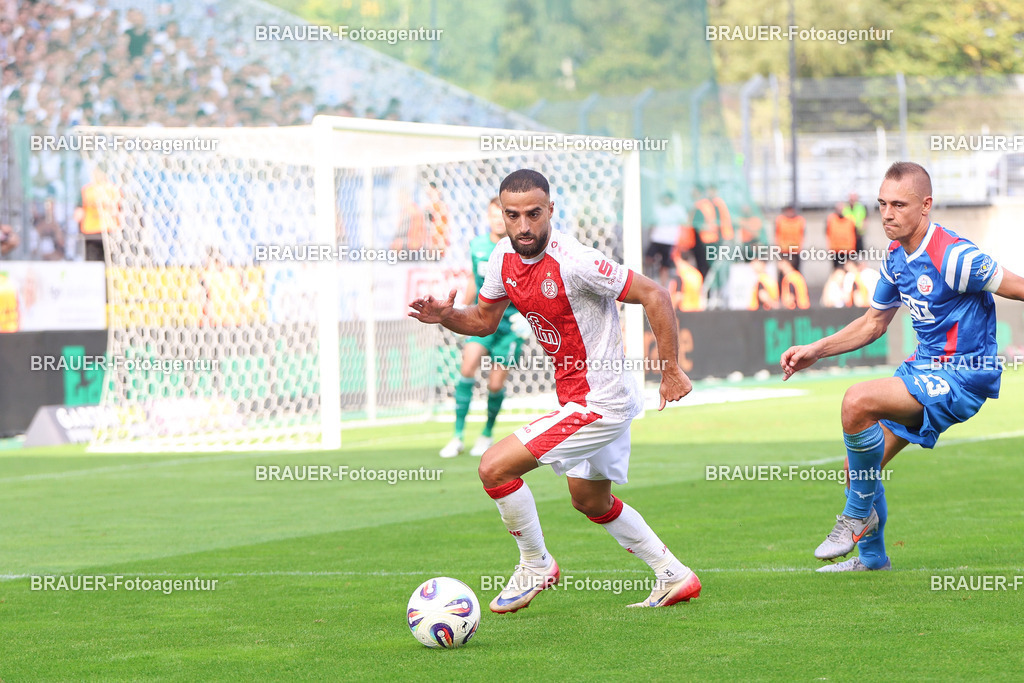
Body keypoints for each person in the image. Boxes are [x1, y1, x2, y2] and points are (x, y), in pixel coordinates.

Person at [410, 169, 701, 609]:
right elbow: (485, 321)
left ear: (551, 210)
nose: (523, 226)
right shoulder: (502, 259)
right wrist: (446, 317)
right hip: (579, 397)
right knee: (589, 500)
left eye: (533, 214)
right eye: (513, 215)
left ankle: (536, 564)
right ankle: (673, 575)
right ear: (501, 214)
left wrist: (671, 370)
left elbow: (655, 294)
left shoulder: (576, 260)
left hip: (600, 401)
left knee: (493, 468)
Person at [781, 161, 1024, 572]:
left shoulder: (955, 256)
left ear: (925, 205)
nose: (888, 213)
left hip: (964, 376)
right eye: (881, 204)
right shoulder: (895, 257)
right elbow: (874, 322)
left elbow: (1019, 287)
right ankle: (873, 559)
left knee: (857, 401)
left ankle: (857, 518)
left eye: (898, 204)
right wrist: (817, 349)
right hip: (924, 369)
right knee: (857, 469)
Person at [440, 197, 528, 459]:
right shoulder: (478, 245)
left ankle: (487, 433)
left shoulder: (519, 248)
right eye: (493, 215)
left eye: (502, 215)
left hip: (509, 327)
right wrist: (459, 312)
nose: (498, 220)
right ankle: (457, 436)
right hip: (481, 320)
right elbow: (473, 280)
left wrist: (528, 318)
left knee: (495, 385)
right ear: (487, 217)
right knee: (467, 367)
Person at [645, 191, 687, 287]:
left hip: (670, 240)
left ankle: (663, 285)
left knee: (665, 265)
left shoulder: (677, 209)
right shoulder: (657, 208)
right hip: (657, 238)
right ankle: (647, 278)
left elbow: (684, 222)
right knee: (648, 258)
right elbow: (651, 221)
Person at [774, 204, 805, 286]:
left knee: (795, 272)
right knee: (782, 272)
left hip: (795, 251)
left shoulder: (799, 220)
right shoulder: (780, 220)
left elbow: (802, 235)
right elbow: (777, 234)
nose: (790, 213)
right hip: (783, 251)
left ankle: (796, 287)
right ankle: (781, 289)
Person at [826, 201, 858, 269]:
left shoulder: (850, 220)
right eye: (838, 208)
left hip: (848, 251)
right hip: (836, 251)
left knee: (849, 270)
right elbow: (827, 232)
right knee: (837, 270)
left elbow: (855, 234)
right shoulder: (831, 219)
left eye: (842, 208)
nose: (840, 210)